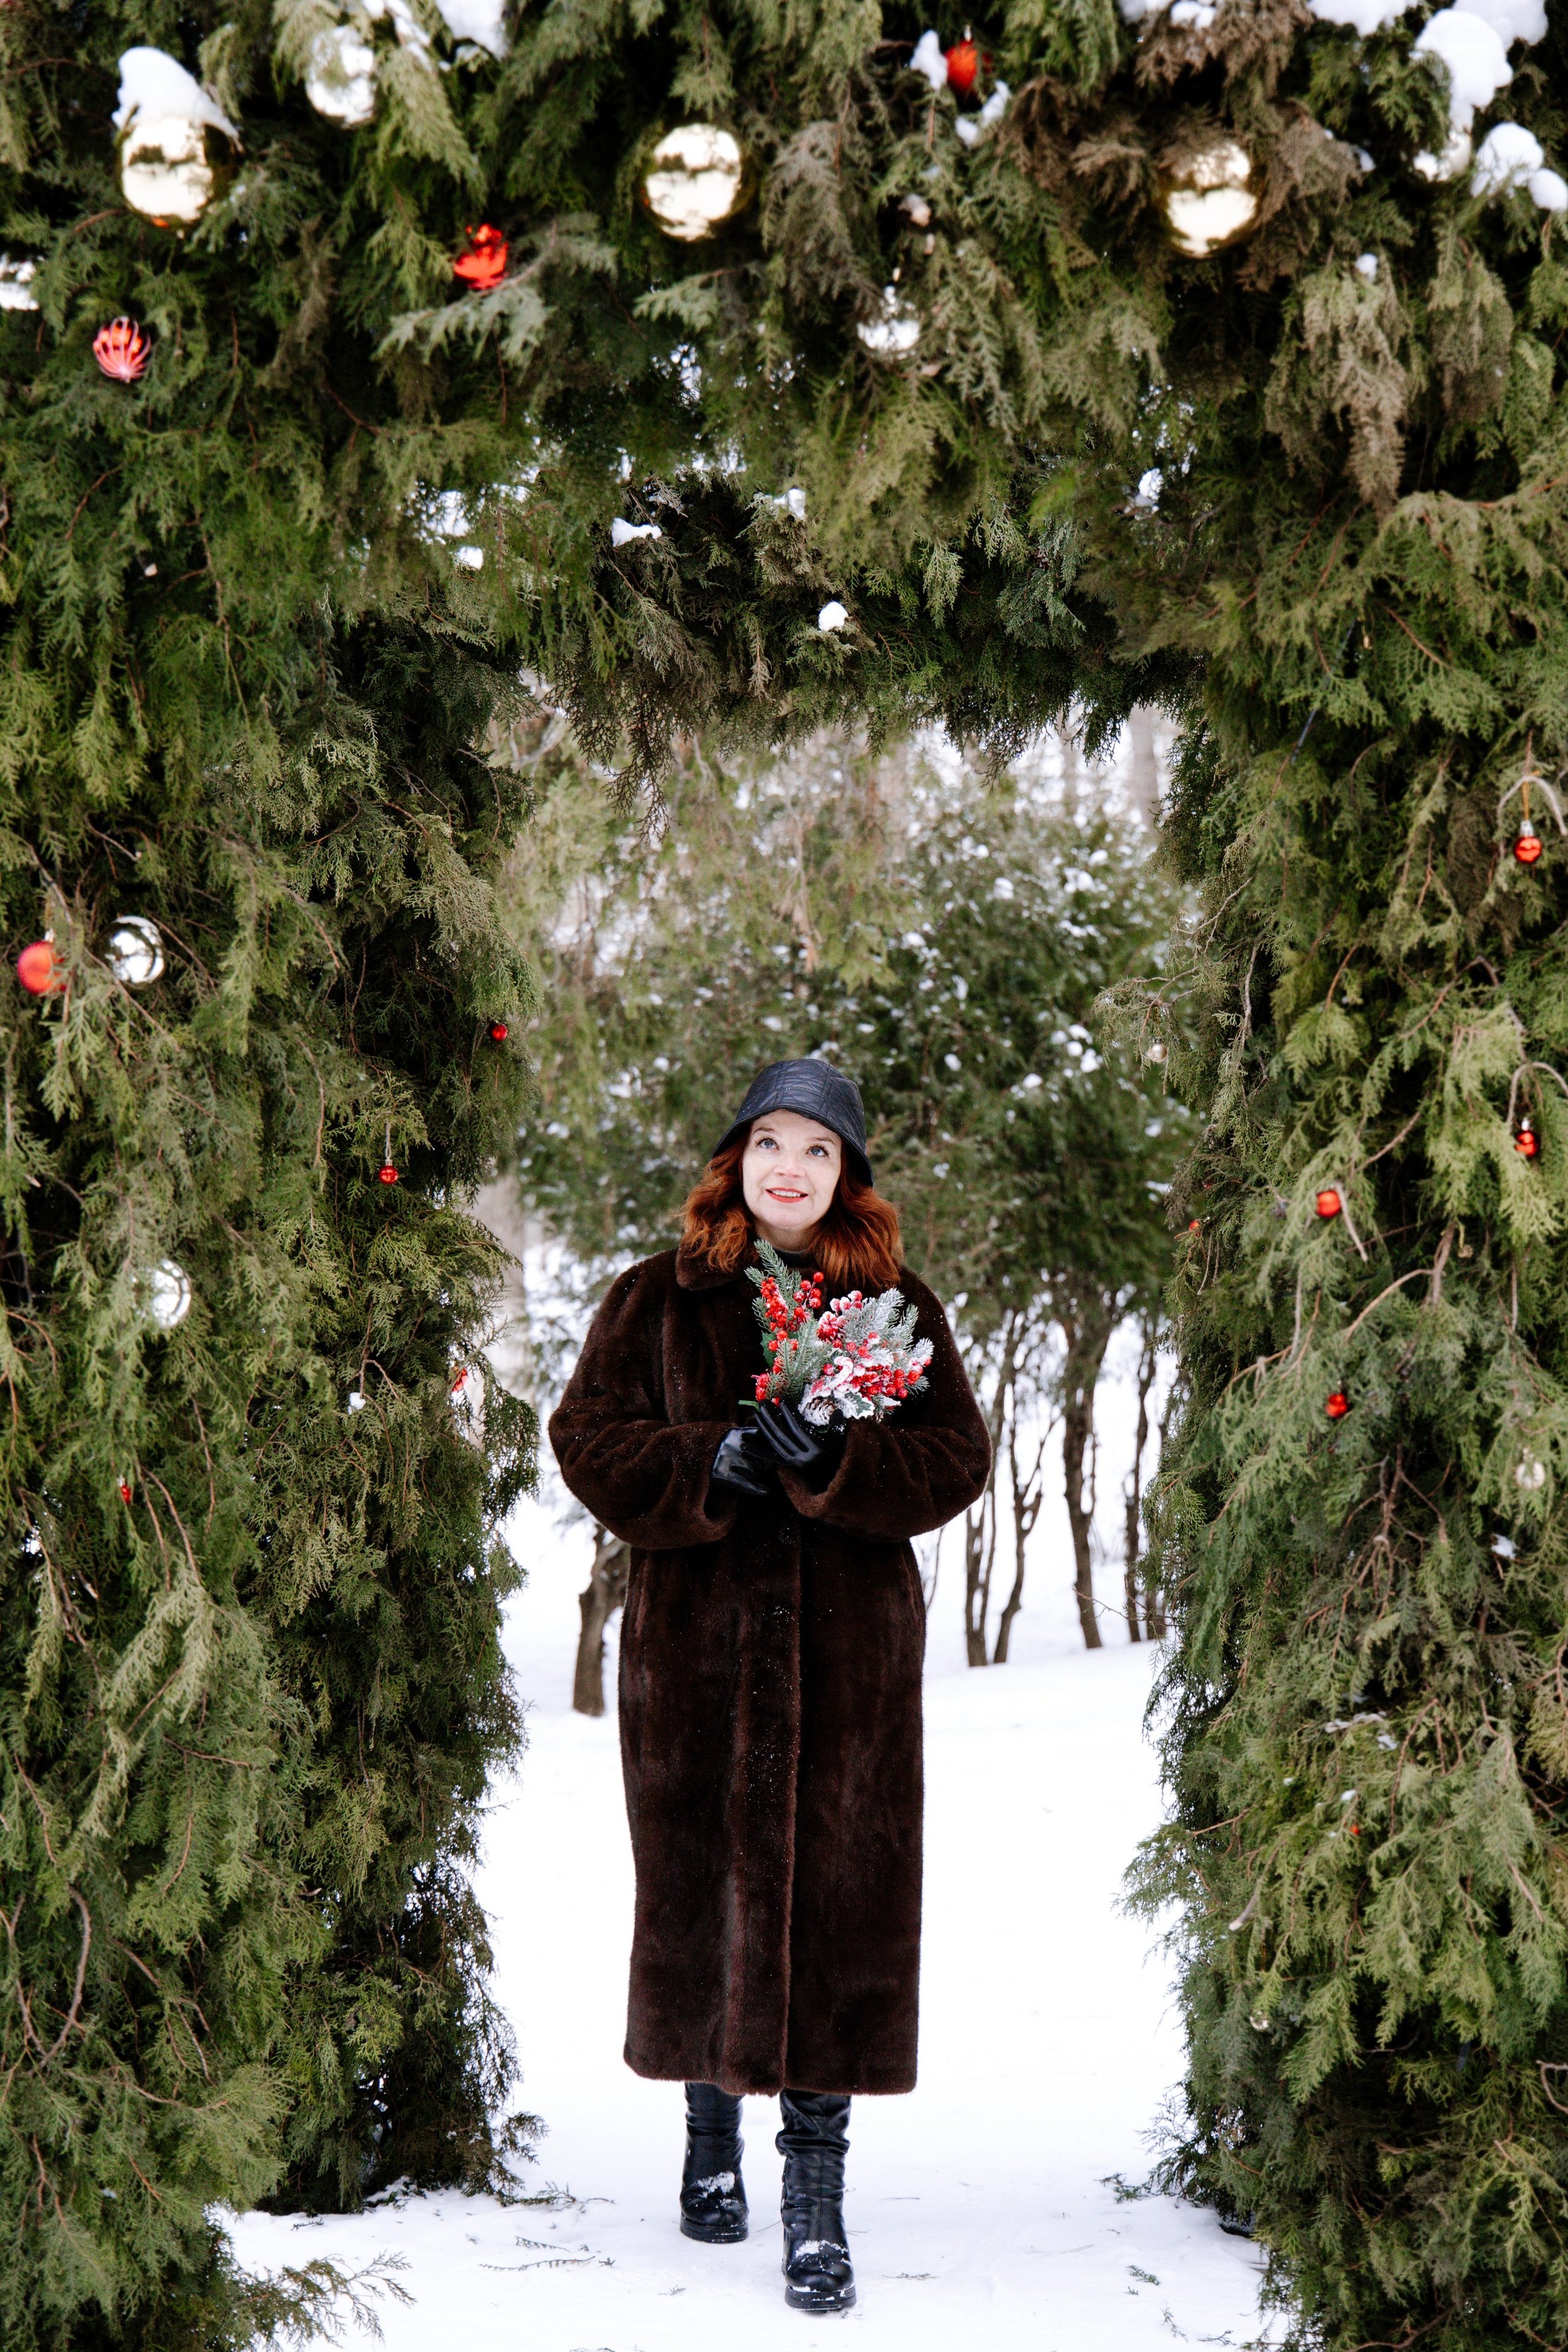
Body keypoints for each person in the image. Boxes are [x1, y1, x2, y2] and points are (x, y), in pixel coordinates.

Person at [549, 1059, 991, 2314]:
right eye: (767, 1146)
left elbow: (955, 1456)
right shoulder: (655, 1299)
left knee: (837, 1903)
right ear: (733, 1160)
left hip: (849, 1667)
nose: (787, 1170)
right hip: (696, 1656)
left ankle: (814, 2191)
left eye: (815, 1151)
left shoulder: (896, 1305)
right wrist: (715, 1460)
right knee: (702, 1889)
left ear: (847, 1174)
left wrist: (836, 1465)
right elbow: (586, 1437)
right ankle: (705, 2141)